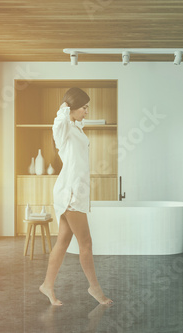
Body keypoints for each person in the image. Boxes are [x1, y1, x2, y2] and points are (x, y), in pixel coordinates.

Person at [39, 87, 113, 306]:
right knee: (86, 243)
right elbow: (59, 124)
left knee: (62, 242)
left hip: (75, 191)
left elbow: (75, 123)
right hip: (70, 194)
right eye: (84, 107)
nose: (87, 111)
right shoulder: (63, 129)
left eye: (87, 107)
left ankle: (47, 286)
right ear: (72, 107)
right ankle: (95, 289)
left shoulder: (76, 129)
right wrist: (64, 108)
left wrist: (73, 113)